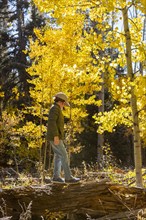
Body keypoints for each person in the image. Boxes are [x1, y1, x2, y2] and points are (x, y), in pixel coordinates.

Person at [47, 92, 80, 183]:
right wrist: (56, 136)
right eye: (64, 104)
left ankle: (56, 177)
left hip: (55, 136)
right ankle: (68, 178)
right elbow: (52, 123)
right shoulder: (55, 109)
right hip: (55, 136)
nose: (64, 106)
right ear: (61, 102)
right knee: (64, 155)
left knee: (58, 155)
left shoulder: (56, 109)